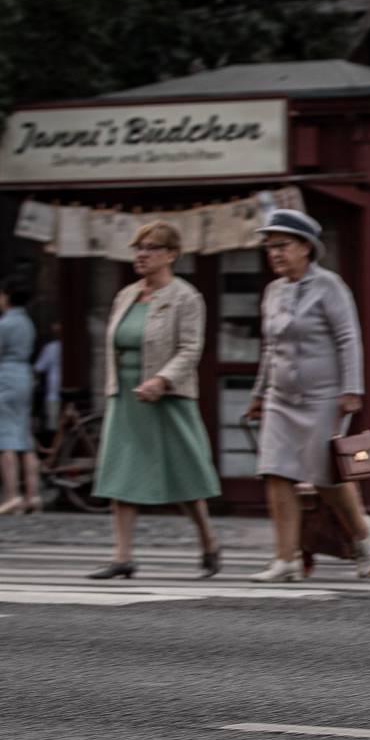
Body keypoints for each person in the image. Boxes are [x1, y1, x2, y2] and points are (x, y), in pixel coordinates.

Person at [243, 208, 370, 582]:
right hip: (280, 398)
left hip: (324, 397)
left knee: (326, 475)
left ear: (306, 247)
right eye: (270, 247)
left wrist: (352, 390)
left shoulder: (329, 285)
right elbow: (270, 348)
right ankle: (285, 558)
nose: (275, 253)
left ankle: (363, 535)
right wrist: (258, 394)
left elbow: (348, 338)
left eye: (283, 245)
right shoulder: (273, 291)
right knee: (276, 472)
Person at [88, 221, 222, 579]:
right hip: (127, 395)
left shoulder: (186, 297)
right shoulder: (127, 294)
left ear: (172, 255)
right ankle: (122, 554)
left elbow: (191, 348)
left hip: (167, 395)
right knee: (121, 470)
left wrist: (161, 380)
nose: (141, 254)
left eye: (150, 248)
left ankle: (209, 542)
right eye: (138, 248)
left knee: (184, 472)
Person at [0, 276, 40, 516]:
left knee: (4, 439)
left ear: (5, 296)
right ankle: (33, 495)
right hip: (23, 376)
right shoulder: (27, 323)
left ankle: (11, 495)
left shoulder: (1, 325)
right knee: (24, 437)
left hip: (3, 378)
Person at [33, 322, 63, 436]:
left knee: (54, 427)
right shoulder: (52, 348)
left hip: (54, 392)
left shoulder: (50, 348)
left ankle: (58, 449)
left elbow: (37, 370)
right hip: (54, 392)